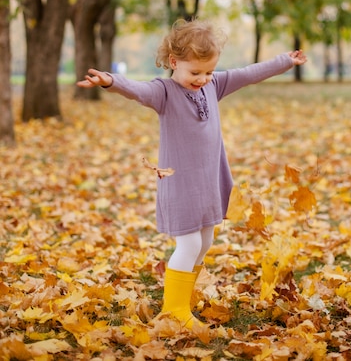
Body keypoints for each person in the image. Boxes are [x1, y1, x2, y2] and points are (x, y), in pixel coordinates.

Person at [77, 19, 307, 331]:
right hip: (181, 184)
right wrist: (110, 81)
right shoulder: (164, 93)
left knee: (205, 240)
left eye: (208, 72)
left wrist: (285, 61)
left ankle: (183, 297)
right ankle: (173, 312)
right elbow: (138, 91)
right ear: (174, 62)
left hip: (208, 181)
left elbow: (248, 74)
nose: (203, 79)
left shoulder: (214, 85)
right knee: (187, 244)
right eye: (195, 72)